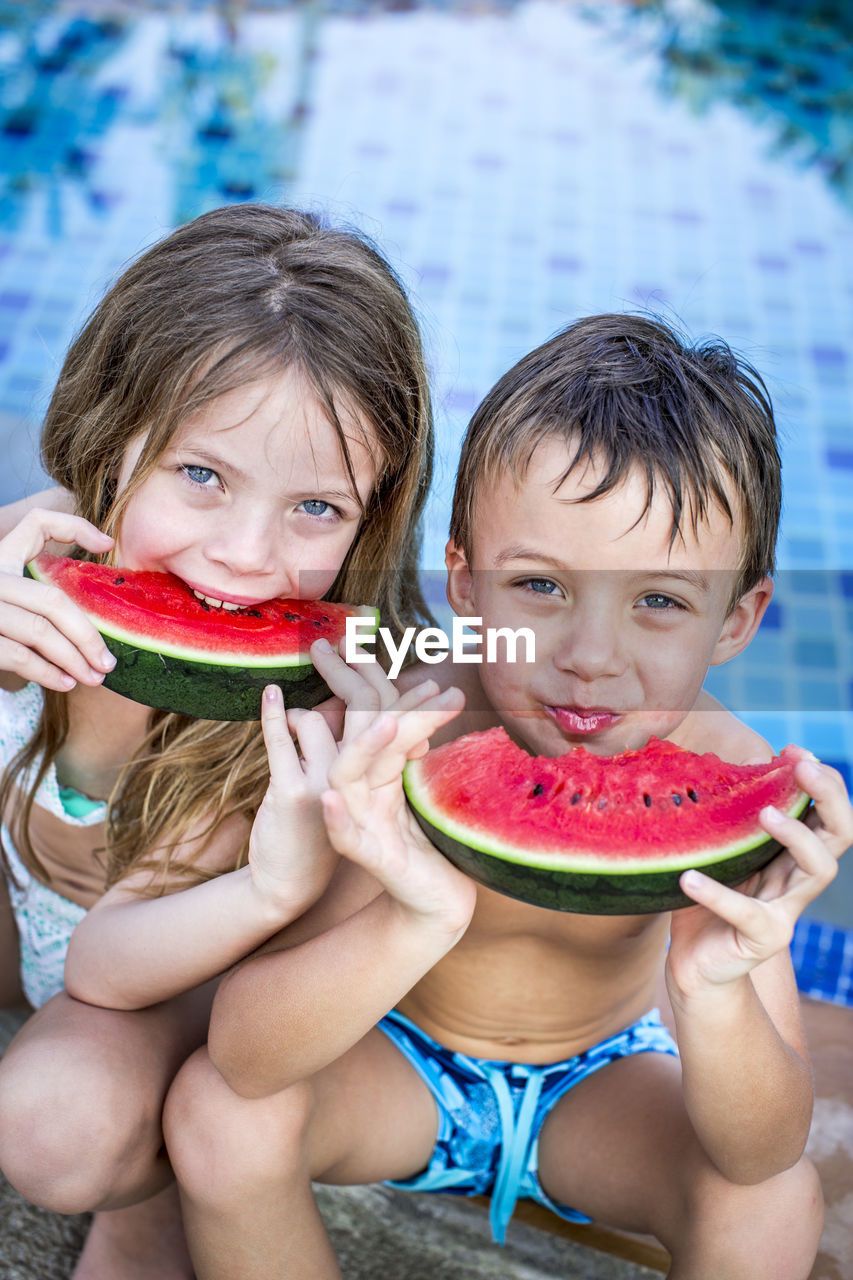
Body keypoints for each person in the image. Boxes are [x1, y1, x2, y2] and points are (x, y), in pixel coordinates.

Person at [164, 314, 853, 1280]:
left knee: (773, 1200)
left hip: (604, 1091)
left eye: (659, 600)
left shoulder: (740, 782)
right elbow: (245, 1054)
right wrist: (412, 914)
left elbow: (761, 1148)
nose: (590, 659)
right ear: (463, 583)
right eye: (538, 585)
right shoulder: (411, 723)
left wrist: (712, 989)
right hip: (395, 1065)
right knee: (217, 1113)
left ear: (736, 620)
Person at [0, 201, 437, 1280]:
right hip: (28, 919)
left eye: (316, 509)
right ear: (109, 439)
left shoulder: (321, 697)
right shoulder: (28, 555)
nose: (246, 557)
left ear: (374, 512)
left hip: (162, 995)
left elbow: (108, 969)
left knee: (59, 1125)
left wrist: (271, 892)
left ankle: (150, 1189)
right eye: (203, 475)